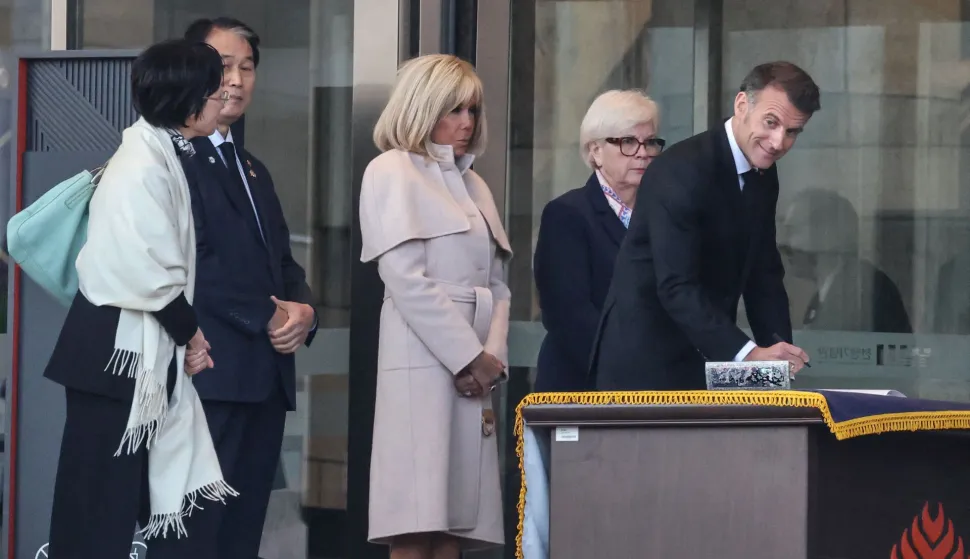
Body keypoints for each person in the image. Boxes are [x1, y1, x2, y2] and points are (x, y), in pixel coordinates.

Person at [42, 39, 233, 558]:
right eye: (215, 90)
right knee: (97, 508)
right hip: (115, 354)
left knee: (112, 504)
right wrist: (193, 336)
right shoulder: (141, 165)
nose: (224, 98)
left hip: (124, 354)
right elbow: (147, 272)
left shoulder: (158, 151)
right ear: (188, 98)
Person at [145, 17, 319, 559]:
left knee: (241, 536)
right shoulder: (172, 156)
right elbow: (194, 264)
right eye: (223, 67)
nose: (237, 80)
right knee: (192, 537)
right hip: (208, 376)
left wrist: (305, 310)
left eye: (247, 67)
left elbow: (281, 262)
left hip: (264, 380)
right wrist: (263, 316)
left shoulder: (251, 166)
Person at [359, 53, 512, 558]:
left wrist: (490, 359)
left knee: (456, 520)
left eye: (472, 110)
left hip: (475, 366)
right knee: (415, 513)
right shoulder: (390, 170)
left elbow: (499, 283)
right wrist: (468, 357)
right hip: (423, 361)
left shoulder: (476, 184)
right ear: (422, 107)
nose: (466, 123)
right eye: (453, 110)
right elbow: (404, 278)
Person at [589, 61, 819, 391]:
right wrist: (748, 354)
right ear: (742, 105)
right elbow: (676, 286)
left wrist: (778, 356)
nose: (778, 141)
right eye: (771, 122)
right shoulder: (682, 170)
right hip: (646, 365)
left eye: (792, 131)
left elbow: (763, 273)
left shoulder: (762, 173)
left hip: (705, 358)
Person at [533, 89, 662, 392]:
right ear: (595, 151)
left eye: (650, 142)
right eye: (628, 142)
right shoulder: (567, 214)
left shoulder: (662, 214)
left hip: (655, 387)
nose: (643, 153)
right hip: (585, 387)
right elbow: (568, 314)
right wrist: (632, 369)